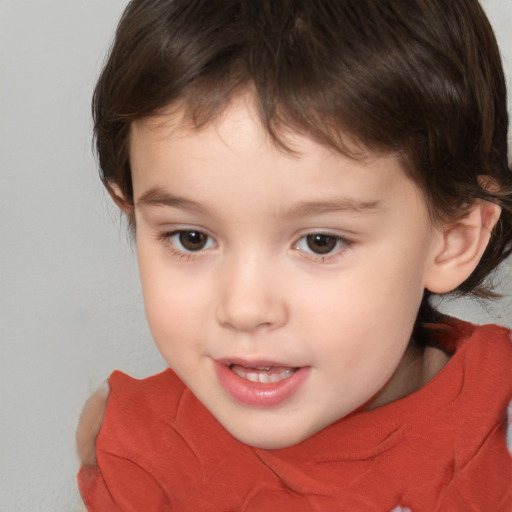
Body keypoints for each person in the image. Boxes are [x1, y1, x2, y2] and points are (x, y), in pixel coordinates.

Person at [76, 0, 512, 510]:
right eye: (191, 238)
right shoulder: (141, 455)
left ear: (453, 238)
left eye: (320, 242)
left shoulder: (495, 440)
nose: (244, 308)